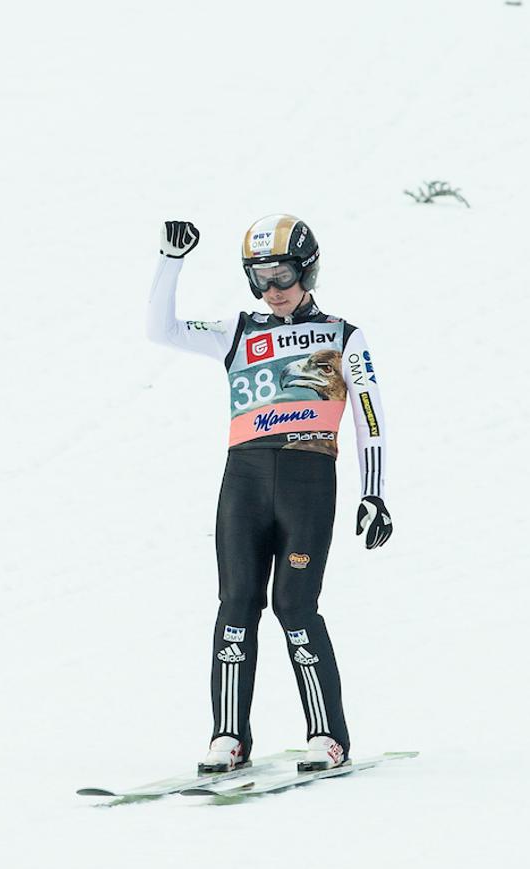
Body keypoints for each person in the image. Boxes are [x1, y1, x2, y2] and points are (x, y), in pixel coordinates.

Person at [145, 216, 393, 773]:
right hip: (245, 480)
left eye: (281, 274)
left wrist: (373, 492)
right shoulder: (238, 329)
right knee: (236, 605)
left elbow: (368, 418)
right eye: (258, 278)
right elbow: (160, 331)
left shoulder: (341, 335)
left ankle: (327, 735)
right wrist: (170, 260)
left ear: (308, 269)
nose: (272, 289)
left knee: (294, 606)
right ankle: (228, 734)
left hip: (308, 481)